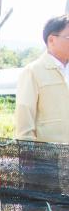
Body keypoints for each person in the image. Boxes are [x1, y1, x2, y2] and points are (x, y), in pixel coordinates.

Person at [15, 14, 69, 144]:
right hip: (48, 154)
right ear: (51, 40)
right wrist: (27, 149)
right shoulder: (33, 71)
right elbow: (24, 114)